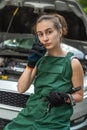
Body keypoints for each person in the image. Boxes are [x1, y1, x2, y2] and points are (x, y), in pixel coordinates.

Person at [4, 14, 84, 130]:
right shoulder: (39, 60)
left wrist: (64, 98)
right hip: (30, 115)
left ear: (60, 32)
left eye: (49, 32)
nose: (45, 38)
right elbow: (21, 89)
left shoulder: (72, 63)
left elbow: (79, 96)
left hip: (55, 122)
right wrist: (30, 65)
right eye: (40, 34)